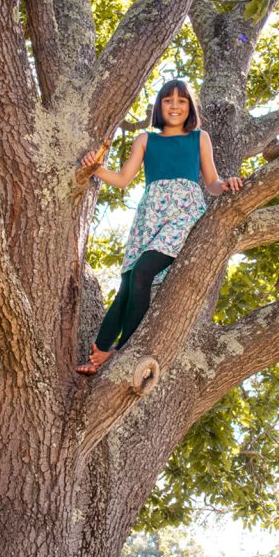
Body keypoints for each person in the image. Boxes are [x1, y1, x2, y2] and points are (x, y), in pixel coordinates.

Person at [76, 79, 243, 375]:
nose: (175, 106)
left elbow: (213, 183)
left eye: (181, 101)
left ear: (190, 106)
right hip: (150, 215)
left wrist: (227, 184)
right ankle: (100, 350)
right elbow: (124, 178)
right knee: (128, 283)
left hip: (184, 213)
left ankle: (124, 348)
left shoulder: (199, 138)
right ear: (159, 106)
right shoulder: (145, 139)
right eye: (168, 101)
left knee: (143, 270)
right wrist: (95, 169)